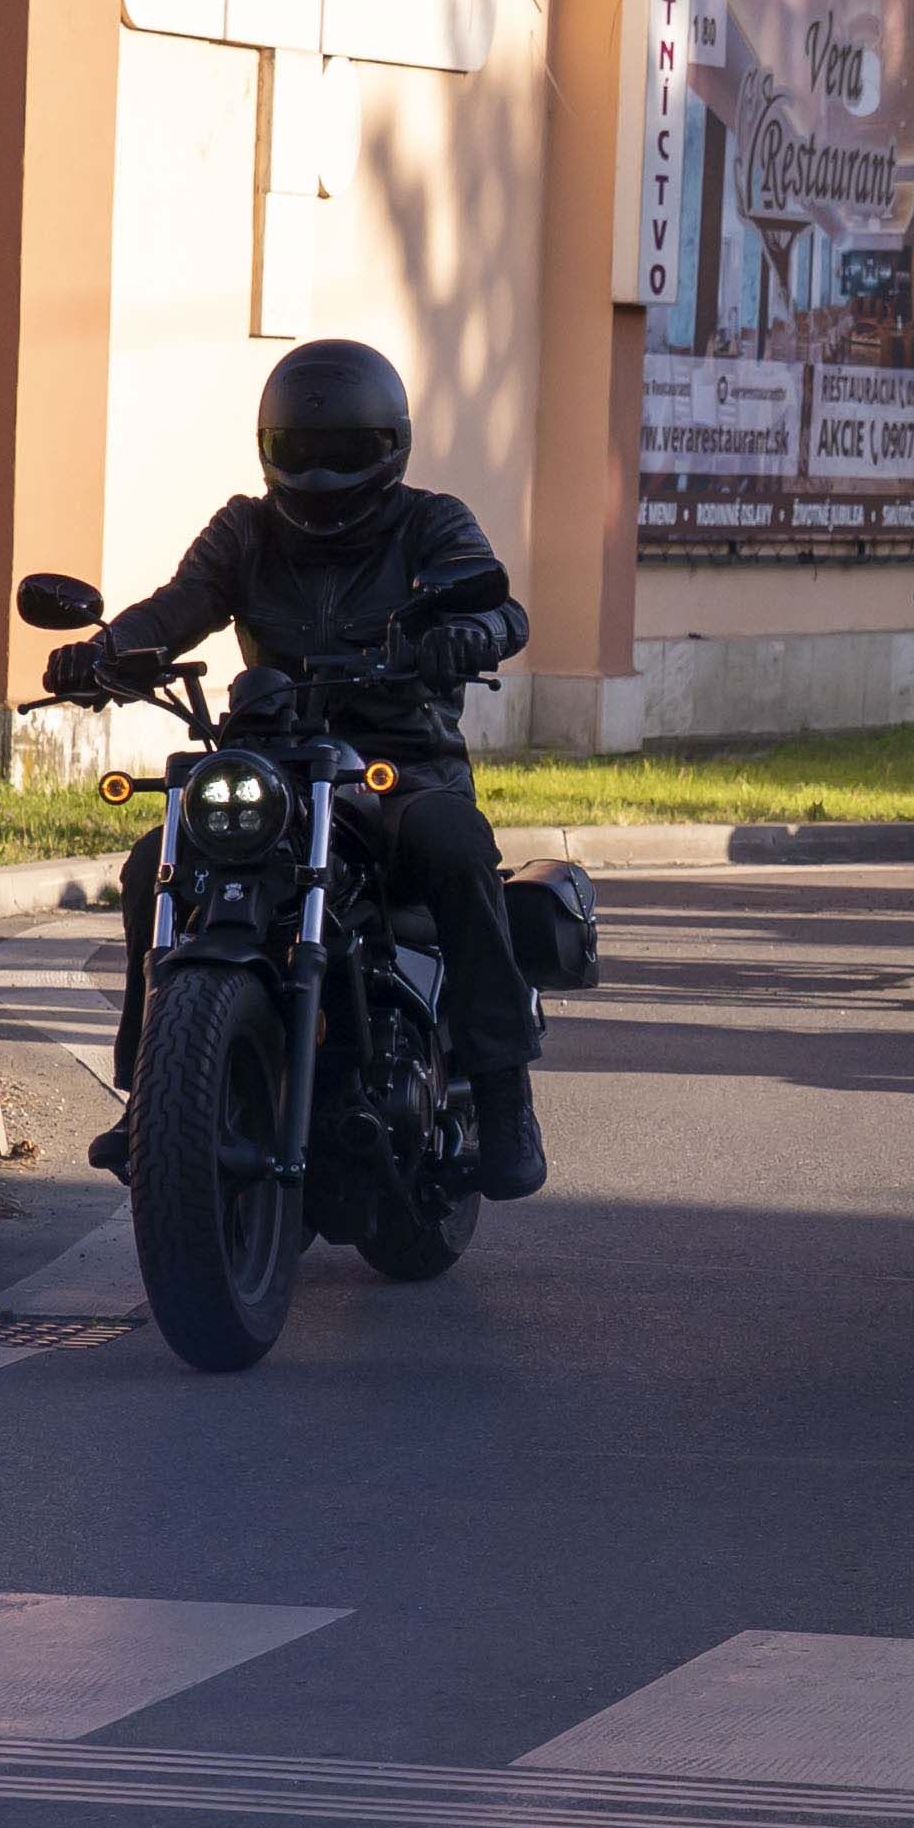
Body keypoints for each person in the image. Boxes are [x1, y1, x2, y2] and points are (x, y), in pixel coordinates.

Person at [52, 337, 545, 1201]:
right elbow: (177, 607)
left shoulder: (431, 522)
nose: (320, 472)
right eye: (300, 449)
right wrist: (105, 651)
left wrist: (471, 633)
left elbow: (499, 605)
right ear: (269, 448)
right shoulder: (246, 530)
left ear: (389, 448)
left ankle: (504, 1096)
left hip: (400, 769)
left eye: (343, 452)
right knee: (151, 864)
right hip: (273, 764)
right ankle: (149, 1095)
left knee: (457, 844)